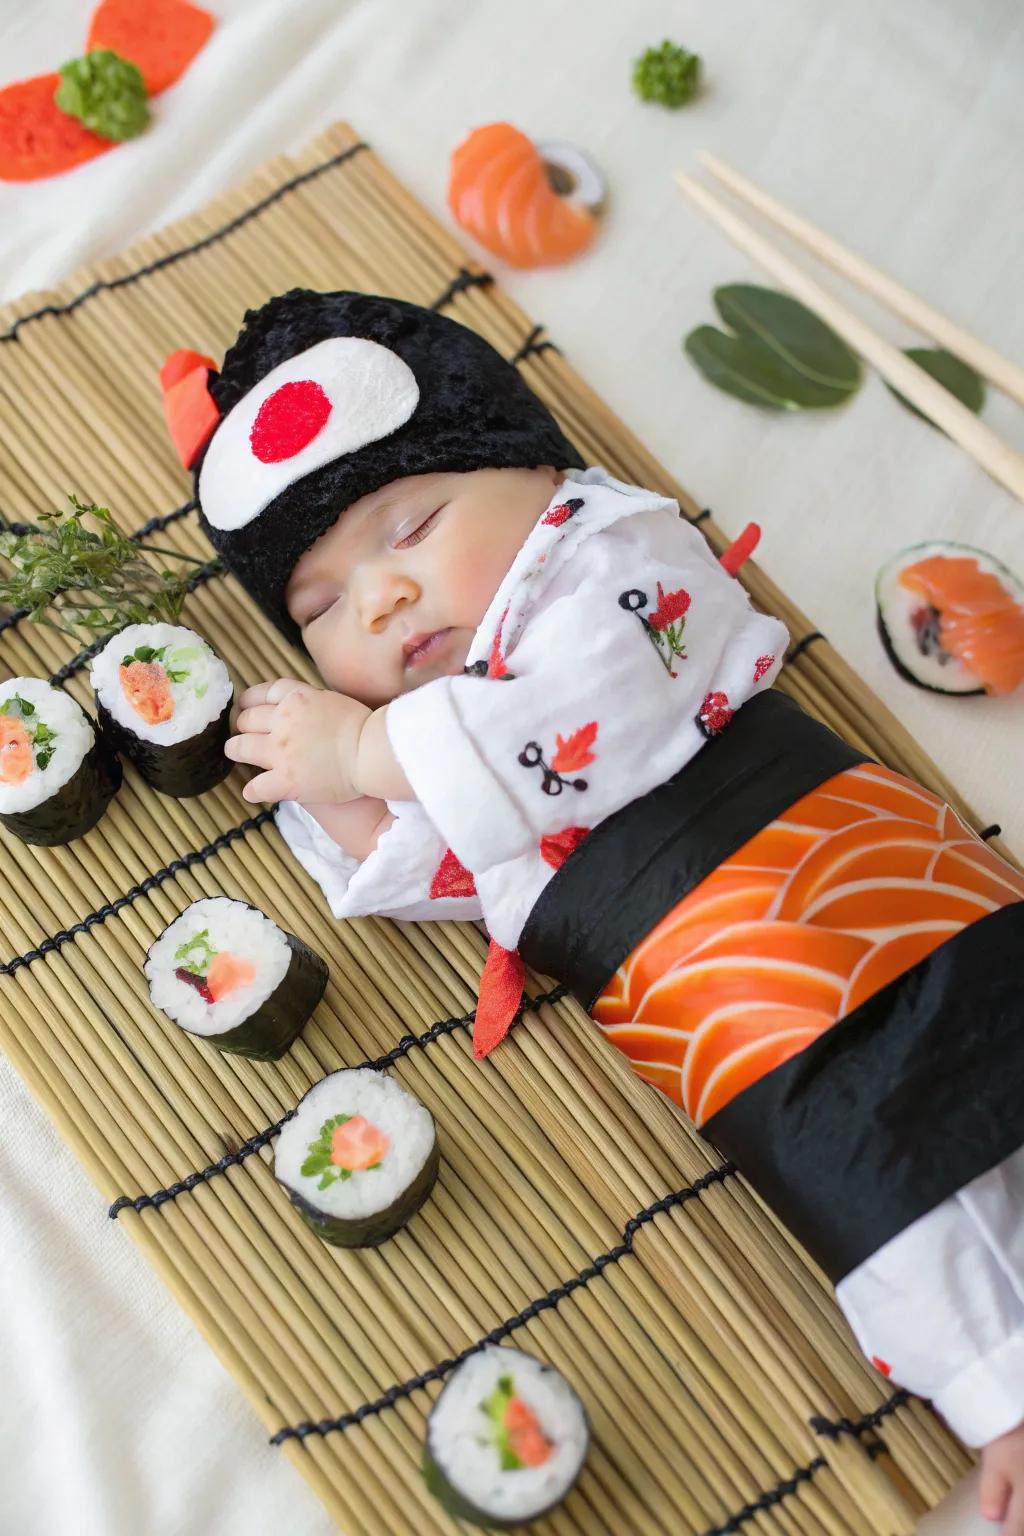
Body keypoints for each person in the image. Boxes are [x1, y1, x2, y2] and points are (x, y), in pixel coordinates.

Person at [182, 289, 1023, 1532]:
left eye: (410, 527)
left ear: (539, 473)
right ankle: (1000, 1396)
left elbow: (594, 707)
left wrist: (367, 751)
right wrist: (341, 797)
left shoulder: (613, 556)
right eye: (320, 608)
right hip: (708, 1008)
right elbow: (464, 868)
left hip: (841, 881)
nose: (380, 598)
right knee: (870, 1183)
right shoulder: (442, 734)